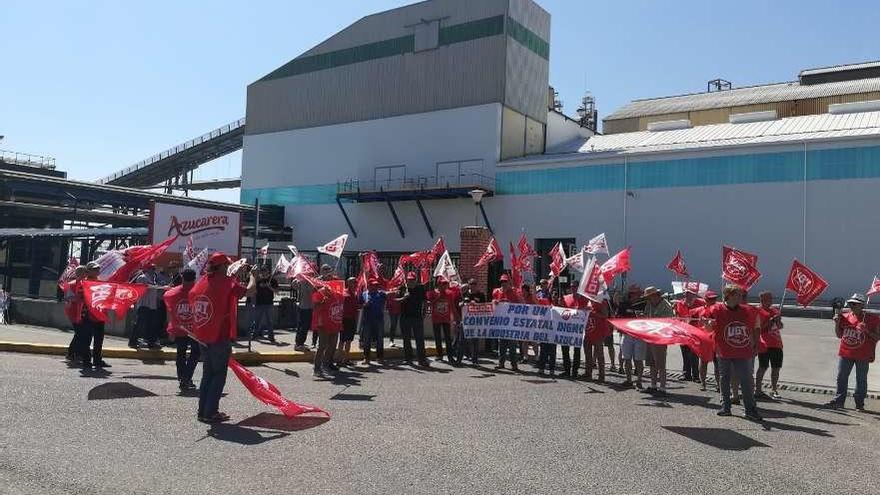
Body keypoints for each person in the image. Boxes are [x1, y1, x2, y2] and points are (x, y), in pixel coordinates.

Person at [190, 253, 249, 423]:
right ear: (222, 266)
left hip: (204, 336)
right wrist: (253, 277)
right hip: (218, 336)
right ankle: (211, 412)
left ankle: (203, 411)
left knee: (207, 375)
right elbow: (249, 291)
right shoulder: (226, 282)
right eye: (226, 265)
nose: (228, 268)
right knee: (218, 375)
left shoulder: (203, 281)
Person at [705, 285, 762, 421]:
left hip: (743, 351)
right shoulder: (716, 310)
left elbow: (756, 327)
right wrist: (707, 324)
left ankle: (750, 409)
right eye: (737, 294)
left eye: (741, 294)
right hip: (724, 351)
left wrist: (755, 345)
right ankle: (726, 407)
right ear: (728, 295)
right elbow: (708, 329)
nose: (740, 297)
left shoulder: (749, 310)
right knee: (724, 379)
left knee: (746, 380)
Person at [824, 293, 880, 411]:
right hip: (846, 353)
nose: (852, 306)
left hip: (863, 355)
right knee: (841, 377)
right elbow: (839, 335)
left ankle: (859, 403)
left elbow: (877, 337)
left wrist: (867, 331)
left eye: (855, 304)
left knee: (861, 379)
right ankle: (839, 401)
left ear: (862, 305)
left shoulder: (873, 319)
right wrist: (837, 323)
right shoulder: (845, 316)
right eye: (850, 304)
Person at [163, 269, 200, 391]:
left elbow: (168, 306)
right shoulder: (199, 291)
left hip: (180, 328)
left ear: (182, 277)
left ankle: (183, 378)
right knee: (195, 353)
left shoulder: (172, 293)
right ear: (194, 278)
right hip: (195, 330)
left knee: (181, 354)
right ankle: (186, 377)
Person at [312, 265, 344, 378]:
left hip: (334, 321)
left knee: (332, 345)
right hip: (323, 321)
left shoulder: (337, 288)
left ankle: (327, 364)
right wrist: (322, 301)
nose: (328, 274)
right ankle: (317, 368)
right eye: (325, 271)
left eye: (329, 271)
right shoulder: (319, 290)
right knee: (322, 346)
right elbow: (315, 306)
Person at [643, 286, 674, 395]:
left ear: (655, 295)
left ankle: (663, 387)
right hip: (650, 336)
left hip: (660, 337)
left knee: (660, 364)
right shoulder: (649, 305)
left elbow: (669, 321)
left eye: (649, 296)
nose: (648, 299)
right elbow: (646, 316)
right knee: (651, 362)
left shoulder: (666, 305)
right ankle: (653, 385)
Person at [755, 291, 784, 399]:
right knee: (763, 367)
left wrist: (778, 321)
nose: (770, 301)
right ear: (761, 299)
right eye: (768, 298)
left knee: (776, 368)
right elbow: (760, 328)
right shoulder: (758, 311)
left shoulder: (775, 310)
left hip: (776, 343)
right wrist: (770, 321)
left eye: (771, 298)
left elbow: (780, 326)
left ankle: (774, 389)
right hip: (764, 343)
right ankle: (758, 389)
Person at [690, 290, 720, 391]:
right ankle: (703, 383)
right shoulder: (698, 310)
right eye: (710, 299)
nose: (713, 300)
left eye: (714, 298)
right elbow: (690, 322)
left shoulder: (719, 309)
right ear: (705, 299)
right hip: (704, 339)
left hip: (716, 338)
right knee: (703, 362)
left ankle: (718, 384)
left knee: (718, 363)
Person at [398, 272, 428, 366]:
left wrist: (424, 312)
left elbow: (425, 301)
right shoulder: (402, 288)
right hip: (405, 317)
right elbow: (395, 301)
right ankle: (408, 358)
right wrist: (404, 297)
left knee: (419, 339)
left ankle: (422, 359)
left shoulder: (420, 288)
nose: (411, 281)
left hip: (417, 317)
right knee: (406, 339)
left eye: (412, 280)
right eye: (409, 280)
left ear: (416, 280)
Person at [674, 288, 705, 382]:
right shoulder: (680, 303)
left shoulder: (701, 303)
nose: (687, 295)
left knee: (694, 353)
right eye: (686, 294)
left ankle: (695, 376)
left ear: (694, 295)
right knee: (685, 353)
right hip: (684, 330)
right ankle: (686, 374)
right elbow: (678, 316)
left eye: (690, 294)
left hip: (695, 331)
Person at [130, 263, 163, 349]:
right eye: (151, 268)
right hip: (144, 304)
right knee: (139, 323)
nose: (153, 270)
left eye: (154, 269)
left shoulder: (154, 279)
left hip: (152, 305)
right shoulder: (142, 277)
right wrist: (156, 287)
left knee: (152, 324)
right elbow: (141, 289)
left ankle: (151, 342)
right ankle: (133, 341)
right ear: (147, 269)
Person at [492, 274, 521, 371]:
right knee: (501, 344)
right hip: (501, 323)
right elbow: (492, 304)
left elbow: (519, 306)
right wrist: (494, 302)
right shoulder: (496, 291)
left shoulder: (514, 292)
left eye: (505, 282)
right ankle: (501, 363)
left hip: (511, 323)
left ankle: (514, 364)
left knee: (512, 345)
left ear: (509, 282)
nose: (503, 283)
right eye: (502, 282)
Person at [561, 285, 589, 379]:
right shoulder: (565, 298)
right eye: (572, 287)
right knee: (565, 350)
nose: (573, 289)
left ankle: (575, 371)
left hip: (578, 330)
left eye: (575, 287)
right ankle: (567, 370)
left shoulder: (585, 300)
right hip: (566, 329)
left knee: (576, 351)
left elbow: (588, 310)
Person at [428, 277, 458, 363]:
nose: (445, 286)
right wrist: (439, 297)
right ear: (439, 284)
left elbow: (452, 306)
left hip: (446, 319)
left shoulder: (449, 293)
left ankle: (450, 356)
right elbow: (430, 304)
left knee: (448, 338)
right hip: (436, 319)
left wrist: (456, 317)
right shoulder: (433, 293)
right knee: (437, 338)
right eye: (443, 284)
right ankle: (439, 355)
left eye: (446, 284)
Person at [456, 279, 485, 366]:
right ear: (469, 285)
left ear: (477, 285)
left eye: (474, 284)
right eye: (471, 284)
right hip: (465, 321)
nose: (473, 286)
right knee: (462, 341)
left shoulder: (481, 295)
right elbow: (459, 304)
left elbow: (485, 307)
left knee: (475, 342)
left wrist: (476, 304)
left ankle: (475, 360)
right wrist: (463, 304)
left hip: (475, 321)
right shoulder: (465, 294)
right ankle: (459, 359)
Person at [584, 294, 611, 383]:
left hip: (598, 332)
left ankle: (601, 375)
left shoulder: (601, 302)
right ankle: (588, 373)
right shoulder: (588, 303)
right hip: (588, 332)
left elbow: (605, 315)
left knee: (599, 354)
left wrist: (593, 313)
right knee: (587, 354)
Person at [247, 266, 278, 342]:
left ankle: (271, 336)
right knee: (257, 321)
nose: (264, 272)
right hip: (259, 303)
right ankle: (255, 335)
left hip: (269, 303)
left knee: (269, 321)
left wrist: (269, 287)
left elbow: (277, 291)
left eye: (265, 271)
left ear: (268, 271)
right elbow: (253, 289)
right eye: (262, 271)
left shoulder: (272, 280)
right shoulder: (258, 280)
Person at [63, 266, 87, 363]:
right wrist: (79, 298)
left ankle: (76, 353)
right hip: (74, 311)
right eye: (84, 272)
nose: (85, 274)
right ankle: (72, 353)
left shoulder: (85, 284)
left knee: (81, 333)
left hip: (82, 311)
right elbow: (68, 298)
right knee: (79, 333)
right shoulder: (72, 284)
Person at [361, 279, 387, 364]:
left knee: (380, 339)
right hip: (367, 320)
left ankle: (380, 357)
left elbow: (389, 293)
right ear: (369, 286)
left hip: (379, 320)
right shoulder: (364, 294)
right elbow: (359, 304)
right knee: (367, 339)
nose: (375, 287)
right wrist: (365, 305)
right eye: (373, 285)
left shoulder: (381, 293)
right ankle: (366, 357)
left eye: (376, 285)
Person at [335, 277, 360, 366]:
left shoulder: (356, 294)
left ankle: (346, 359)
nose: (355, 284)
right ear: (348, 283)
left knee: (349, 340)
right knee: (342, 340)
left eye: (356, 282)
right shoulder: (344, 293)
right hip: (345, 319)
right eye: (353, 282)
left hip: (352, 319)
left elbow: (356, 306)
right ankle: (338, 359)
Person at [535, 288, 556, 376]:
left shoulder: (559, 305)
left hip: (554, 332)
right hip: (544, 330)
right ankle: (541, 368)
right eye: (553, 295)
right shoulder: (545, 302)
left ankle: (551, 370)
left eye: (556, 295)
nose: (554, 297)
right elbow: (536, 301)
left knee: (552, 352)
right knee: (543, 350)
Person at [293, 279, 314, 352]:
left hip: (310, 306)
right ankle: (299, 344)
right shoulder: (301, 281)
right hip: (304, 306)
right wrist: (300, 280)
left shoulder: (313, 280)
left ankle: (299, 342)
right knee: (303, 326)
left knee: (304, 325)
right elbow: (294, 286)